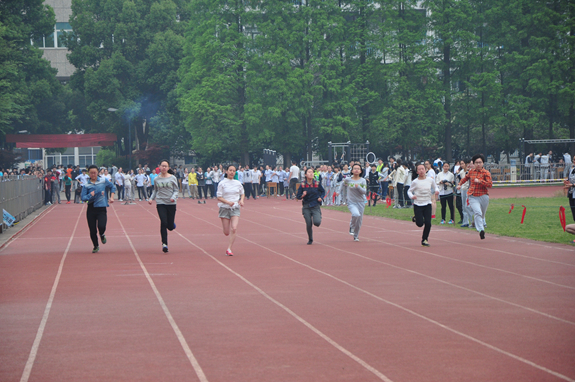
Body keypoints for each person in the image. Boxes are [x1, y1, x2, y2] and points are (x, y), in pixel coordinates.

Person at [81, 165, 116, 253]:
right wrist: (90, 195)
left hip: (101, 208)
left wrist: (112, 197)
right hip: (91, 208)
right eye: (91, 173)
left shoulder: (103, 181)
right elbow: (83, 198)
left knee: (101, 226)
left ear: (98, 173)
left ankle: (102, 234)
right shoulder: (86, 185)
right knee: (92, 230)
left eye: (95, 173)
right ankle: (95, 246)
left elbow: (112, 187)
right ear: (89, 173)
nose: (93, 174)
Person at [457, 154, 492, 240]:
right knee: (478, 212)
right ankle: (481, 230)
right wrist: (459, 184)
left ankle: (476, 223)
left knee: (482, 214)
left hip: (484, 195)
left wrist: (480, 181)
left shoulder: (486, 173)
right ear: (474, 163)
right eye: (476, 162)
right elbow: (465, 178)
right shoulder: (471, 172)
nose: (478, 164)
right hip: (473, 196)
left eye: (480, 162)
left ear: (483, 163)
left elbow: (490, 184)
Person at [149, 160, 179, 253]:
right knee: (163, 222)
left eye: (166, 166)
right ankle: (164, 244)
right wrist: (151, 198)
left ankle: (172, 225)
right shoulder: (156, 179)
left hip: (171, 203)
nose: (164, 168)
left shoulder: (172, 178)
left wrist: (173, 197)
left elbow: (176, 190)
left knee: (169, 226)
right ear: (159, 167)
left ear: (168, 168)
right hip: (160, 202)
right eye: (162, 166)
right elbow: (155, 190)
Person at [408, 163, 439, 247]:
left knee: (428, 223)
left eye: (423, 169)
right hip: (418, 204)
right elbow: (409, 191)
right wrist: (412, 196)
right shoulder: (415, 182)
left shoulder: (430, 180)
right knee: (420, 224)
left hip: (428, 204)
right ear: (417, 172)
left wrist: (436, 191)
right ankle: (417, 218)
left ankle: (424, 239)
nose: (421, 171)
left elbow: (435, 186)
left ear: (425, 170)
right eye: (419, 169)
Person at [217, 165, 245, 256]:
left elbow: (242, 193)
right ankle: (227, 234)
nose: (232, 172)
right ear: (227, 171)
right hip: (224, 208)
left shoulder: (237, 183)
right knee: (226, 232)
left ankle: (229, 248)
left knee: (234, 228)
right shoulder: (222, 183)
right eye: (230, 170)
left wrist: (241, 200)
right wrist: (228, 202)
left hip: (235, 208)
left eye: (233, 171)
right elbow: (219, 197)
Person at [296, 167, 325, 245]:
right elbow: (298, 196)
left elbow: (323, 192)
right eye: (309, 172)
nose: (311, 173)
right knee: (309, 223)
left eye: (312, 172)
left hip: (315, 205)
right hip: (306, 206)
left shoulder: (317, 183)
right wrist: (302, 195)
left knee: (317, 222)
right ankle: (310, 239)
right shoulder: (302, 185)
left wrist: (321, 198)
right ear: (305, 174)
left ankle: (318, 216)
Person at [343, 163, 367, 241]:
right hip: (351, 202)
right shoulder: (348, 180)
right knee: (356, 214)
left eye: (358, 169)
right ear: (352, 170)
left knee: (359, 220)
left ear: (360, 171)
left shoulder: (363, 180)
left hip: (361, 202)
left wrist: (358, 187)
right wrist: (338, 192)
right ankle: (351, 226)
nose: (356, 170)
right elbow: (342, 184)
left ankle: (356, 236)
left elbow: (364, 191)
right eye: (355, 168)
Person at [564, 156, 575, 221]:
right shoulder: (571, 170)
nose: (574, 161)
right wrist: (566, 182)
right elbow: (569, 180)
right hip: (571, 194)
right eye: (573, 159)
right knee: (574, 214)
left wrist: (573, 185)